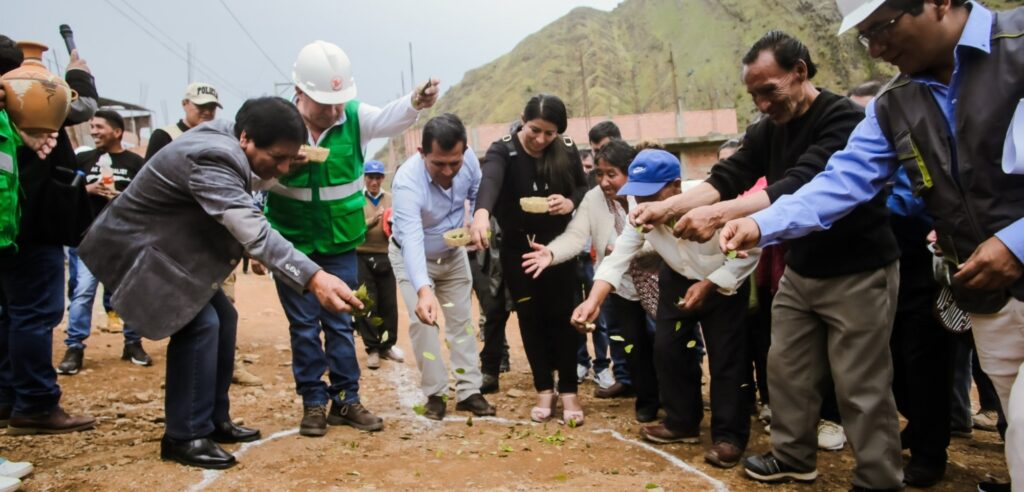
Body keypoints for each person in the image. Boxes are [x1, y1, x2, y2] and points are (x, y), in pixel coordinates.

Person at [718, 2, 1024, 490]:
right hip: (990, 297)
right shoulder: (894, 102)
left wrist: (1016, 241)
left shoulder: (1018, 47)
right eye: (866, 37)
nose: (877, 49)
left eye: (882, 28)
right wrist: (761, 226)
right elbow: (842, 180)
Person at [634, 30, 904, 488]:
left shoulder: (843, 119)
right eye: (753, 95)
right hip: (801, 270)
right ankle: (794, 456)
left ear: (799, 72)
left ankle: (879, 477)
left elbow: (799, 184)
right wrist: (668, 208)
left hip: (857, 270)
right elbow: (728, 174)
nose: (761, 104)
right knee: (786, 370)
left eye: (769, 91)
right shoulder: (767, 130)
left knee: (861, 384)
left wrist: (719, 215)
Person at [79, 97, 364, 469]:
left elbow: (253, 179)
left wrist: (278, 166)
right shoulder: (214, 157)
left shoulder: (232, 140)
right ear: (246, 139)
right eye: (277, 158)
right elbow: (254, 233)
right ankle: (183, 436)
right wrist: (314, 277)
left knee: (223, 317)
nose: (282, 168)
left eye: (289, 158)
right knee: (201, 326)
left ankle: (213, 420)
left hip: (171, 251)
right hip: (141, 251)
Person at [263, 40, 438, 437]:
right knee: (304, 326)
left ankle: (346, 398)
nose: (334, 111)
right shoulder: (278, 123)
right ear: (299, 94)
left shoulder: (355, 119)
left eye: (339, 101)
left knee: (342, 321)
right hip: (291, 243)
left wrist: (414, 101)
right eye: (325, 103)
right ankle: (313, 402)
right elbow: (254, 170)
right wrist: (286, 163)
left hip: (342, 242)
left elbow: (391, 118)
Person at [571, 149, 760, 468]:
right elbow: (619, 257)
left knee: (727, 357)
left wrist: (710, 284)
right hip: (676, 276)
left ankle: (729, 436)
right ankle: (682, 421)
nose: (641, 203)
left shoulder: (717, 198)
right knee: (669, 347)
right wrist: (593, 300)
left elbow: (751, 251)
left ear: (675, 187)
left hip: (725, 281)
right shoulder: (639, 206)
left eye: (649, 195)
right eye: (637, 194)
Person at [470, 94, 588, 425]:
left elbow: (582, 186)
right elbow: (490, 183)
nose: (539, 140)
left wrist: (569, 201)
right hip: (518, 251)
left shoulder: (565, 148)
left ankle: (569, 391)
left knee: (564, 319)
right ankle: (543, 391)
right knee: (530, 319)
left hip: (560, 248)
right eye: (534, 130)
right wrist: (481, 216)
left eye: (548, 134)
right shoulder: (503, 150)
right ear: (523, 119)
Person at [0, 34, 97, 437]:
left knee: (10, 314)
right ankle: (37, 403)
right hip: (32, 229)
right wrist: (80, 73)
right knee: (35, 315)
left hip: (9, 230)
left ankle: (8, 398)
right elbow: (85, 106)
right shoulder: (31, 99)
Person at [522, 139, 658, 421]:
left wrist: (627, 249)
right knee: (632, 343)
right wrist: (551, 252)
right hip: (618, 285)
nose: (604, 181)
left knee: (665, 343)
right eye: (599, 173)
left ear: (629, 173)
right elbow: (575, 234)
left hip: (658, 283)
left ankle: (676, 401)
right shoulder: (594, 198)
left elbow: (658, 242)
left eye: (612, 174)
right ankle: (648, 402)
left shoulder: (644, 195)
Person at [389, 113, 496, 420]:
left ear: (463, 152)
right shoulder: (407, 183)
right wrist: (424, 291)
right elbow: (410, 239)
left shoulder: (470, 161)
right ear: (422, 154)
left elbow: (477, 193)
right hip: (414, 257)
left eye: (455, 163)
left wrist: (479, 217)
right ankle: (435, 393)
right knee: (424, 323)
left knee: (461, 322)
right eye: (439, 164)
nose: (449, 171)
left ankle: (468, 391)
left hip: (453, 255)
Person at [58, 110, 150, 375]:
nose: (94, 131)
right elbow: (65, 191)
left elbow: (145, 199)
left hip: (123, 241)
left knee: (128, 293)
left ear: (117, 132)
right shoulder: (82, 159)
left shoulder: (135, 162)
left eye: (99, 127)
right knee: (83, 292)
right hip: (88, 239)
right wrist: (88, 189)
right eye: (92, 127)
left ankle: (132, 343)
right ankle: (74, 347)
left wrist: (118, 194)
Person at [354, 160, 403, 370]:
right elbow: (352, 229)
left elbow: (400, 225)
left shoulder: (391, 200)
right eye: (370, 177)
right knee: (367, 303)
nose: (374, 181)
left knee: (388, 303)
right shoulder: (356, 200)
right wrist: (371, 222)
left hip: (386, 255)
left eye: (377, 177)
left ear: (383, 178)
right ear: (364, 178)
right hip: (362, 255)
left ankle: (387, 345)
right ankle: (372, 348)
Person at [144, 82, 221, 161]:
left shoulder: (219, 141)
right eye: (202, 106)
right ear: (185, 104)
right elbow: (148, 172)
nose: (207, 112)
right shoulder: (166, 136)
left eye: (212, 107)